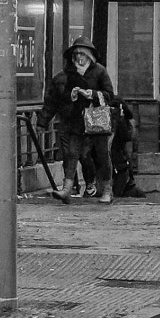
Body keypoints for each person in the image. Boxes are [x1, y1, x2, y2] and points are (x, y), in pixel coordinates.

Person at [42, 38, 118, 203]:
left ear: (90, 56)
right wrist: (72, 95)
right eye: (76, 55)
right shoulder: (68, 73)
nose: (79, 58)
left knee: (102, 155)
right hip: (76, 120)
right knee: (72, 154)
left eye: (82, 55)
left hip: (97, 120)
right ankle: (67, 189)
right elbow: (57, 97)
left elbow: (109, 95)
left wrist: (91, 94)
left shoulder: (100, 71)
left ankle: (107, 189)